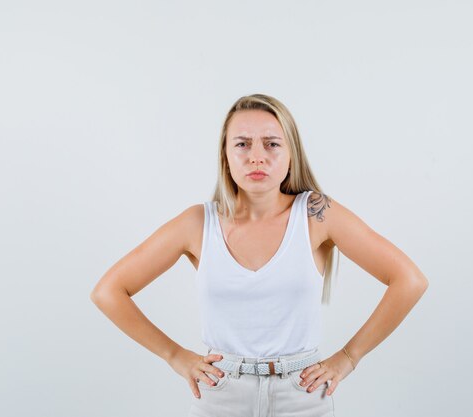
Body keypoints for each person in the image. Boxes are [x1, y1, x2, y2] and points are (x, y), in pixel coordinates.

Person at [90, 93, 429, 416]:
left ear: (291, 153)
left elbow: (408, 280)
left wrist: (349, 357)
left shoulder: (316, 214)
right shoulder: (197, 223)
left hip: (303, 394)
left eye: (271, 144)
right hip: (221, 394)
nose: (256, 156)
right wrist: (175, 356)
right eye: (242, 144)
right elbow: (109, 291)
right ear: (225, 154)